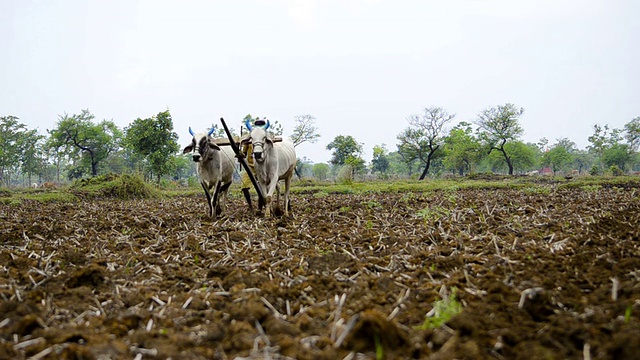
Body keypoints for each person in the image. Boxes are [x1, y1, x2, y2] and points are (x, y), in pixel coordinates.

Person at [240, 117, 267, 210]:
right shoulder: (249, 138)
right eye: (258, 124)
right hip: (250, 167)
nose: (259, 126)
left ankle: (260, 208)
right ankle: (250, 206)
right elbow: (243, 153)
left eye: (261, 124)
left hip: (262, 167)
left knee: (262, 189)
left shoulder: (266, 137)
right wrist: (240, 155)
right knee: (244, 187)